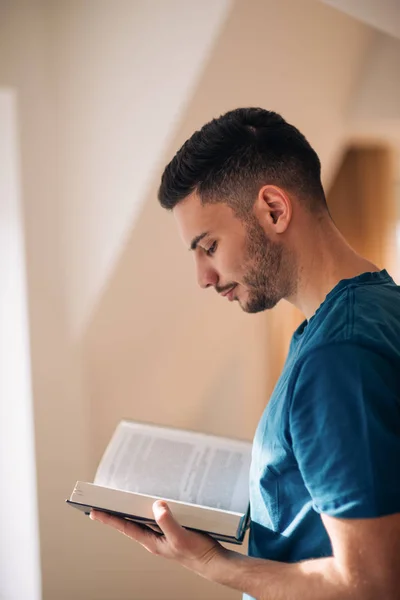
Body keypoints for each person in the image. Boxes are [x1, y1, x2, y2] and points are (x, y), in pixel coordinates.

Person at [91, 108, 400, 599]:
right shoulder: (370, 309)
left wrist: (211, 562)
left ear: (274, 209)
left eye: (208, 246)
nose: (203, 278)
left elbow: (373, 586)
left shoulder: (340, 354)